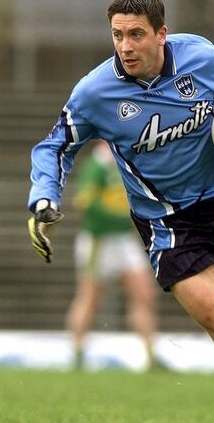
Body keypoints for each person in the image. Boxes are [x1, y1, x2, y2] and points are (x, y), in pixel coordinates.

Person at [27, 0, 214, 423]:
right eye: (117, 35)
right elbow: (55, 146)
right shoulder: (94, 93)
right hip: (168, 226)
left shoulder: (198, 56)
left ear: (162, 34)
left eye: (136, 34)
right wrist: (44, 196)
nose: (125, 46)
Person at [67, 140, 162, 371]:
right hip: (98, 240)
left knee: (144, 293)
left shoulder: (128, 161)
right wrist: (122, 217)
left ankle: (151, 356)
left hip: (124, 241)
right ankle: (77, 354)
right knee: (90, 298)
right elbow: (86, 203)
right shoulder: (96, 166)